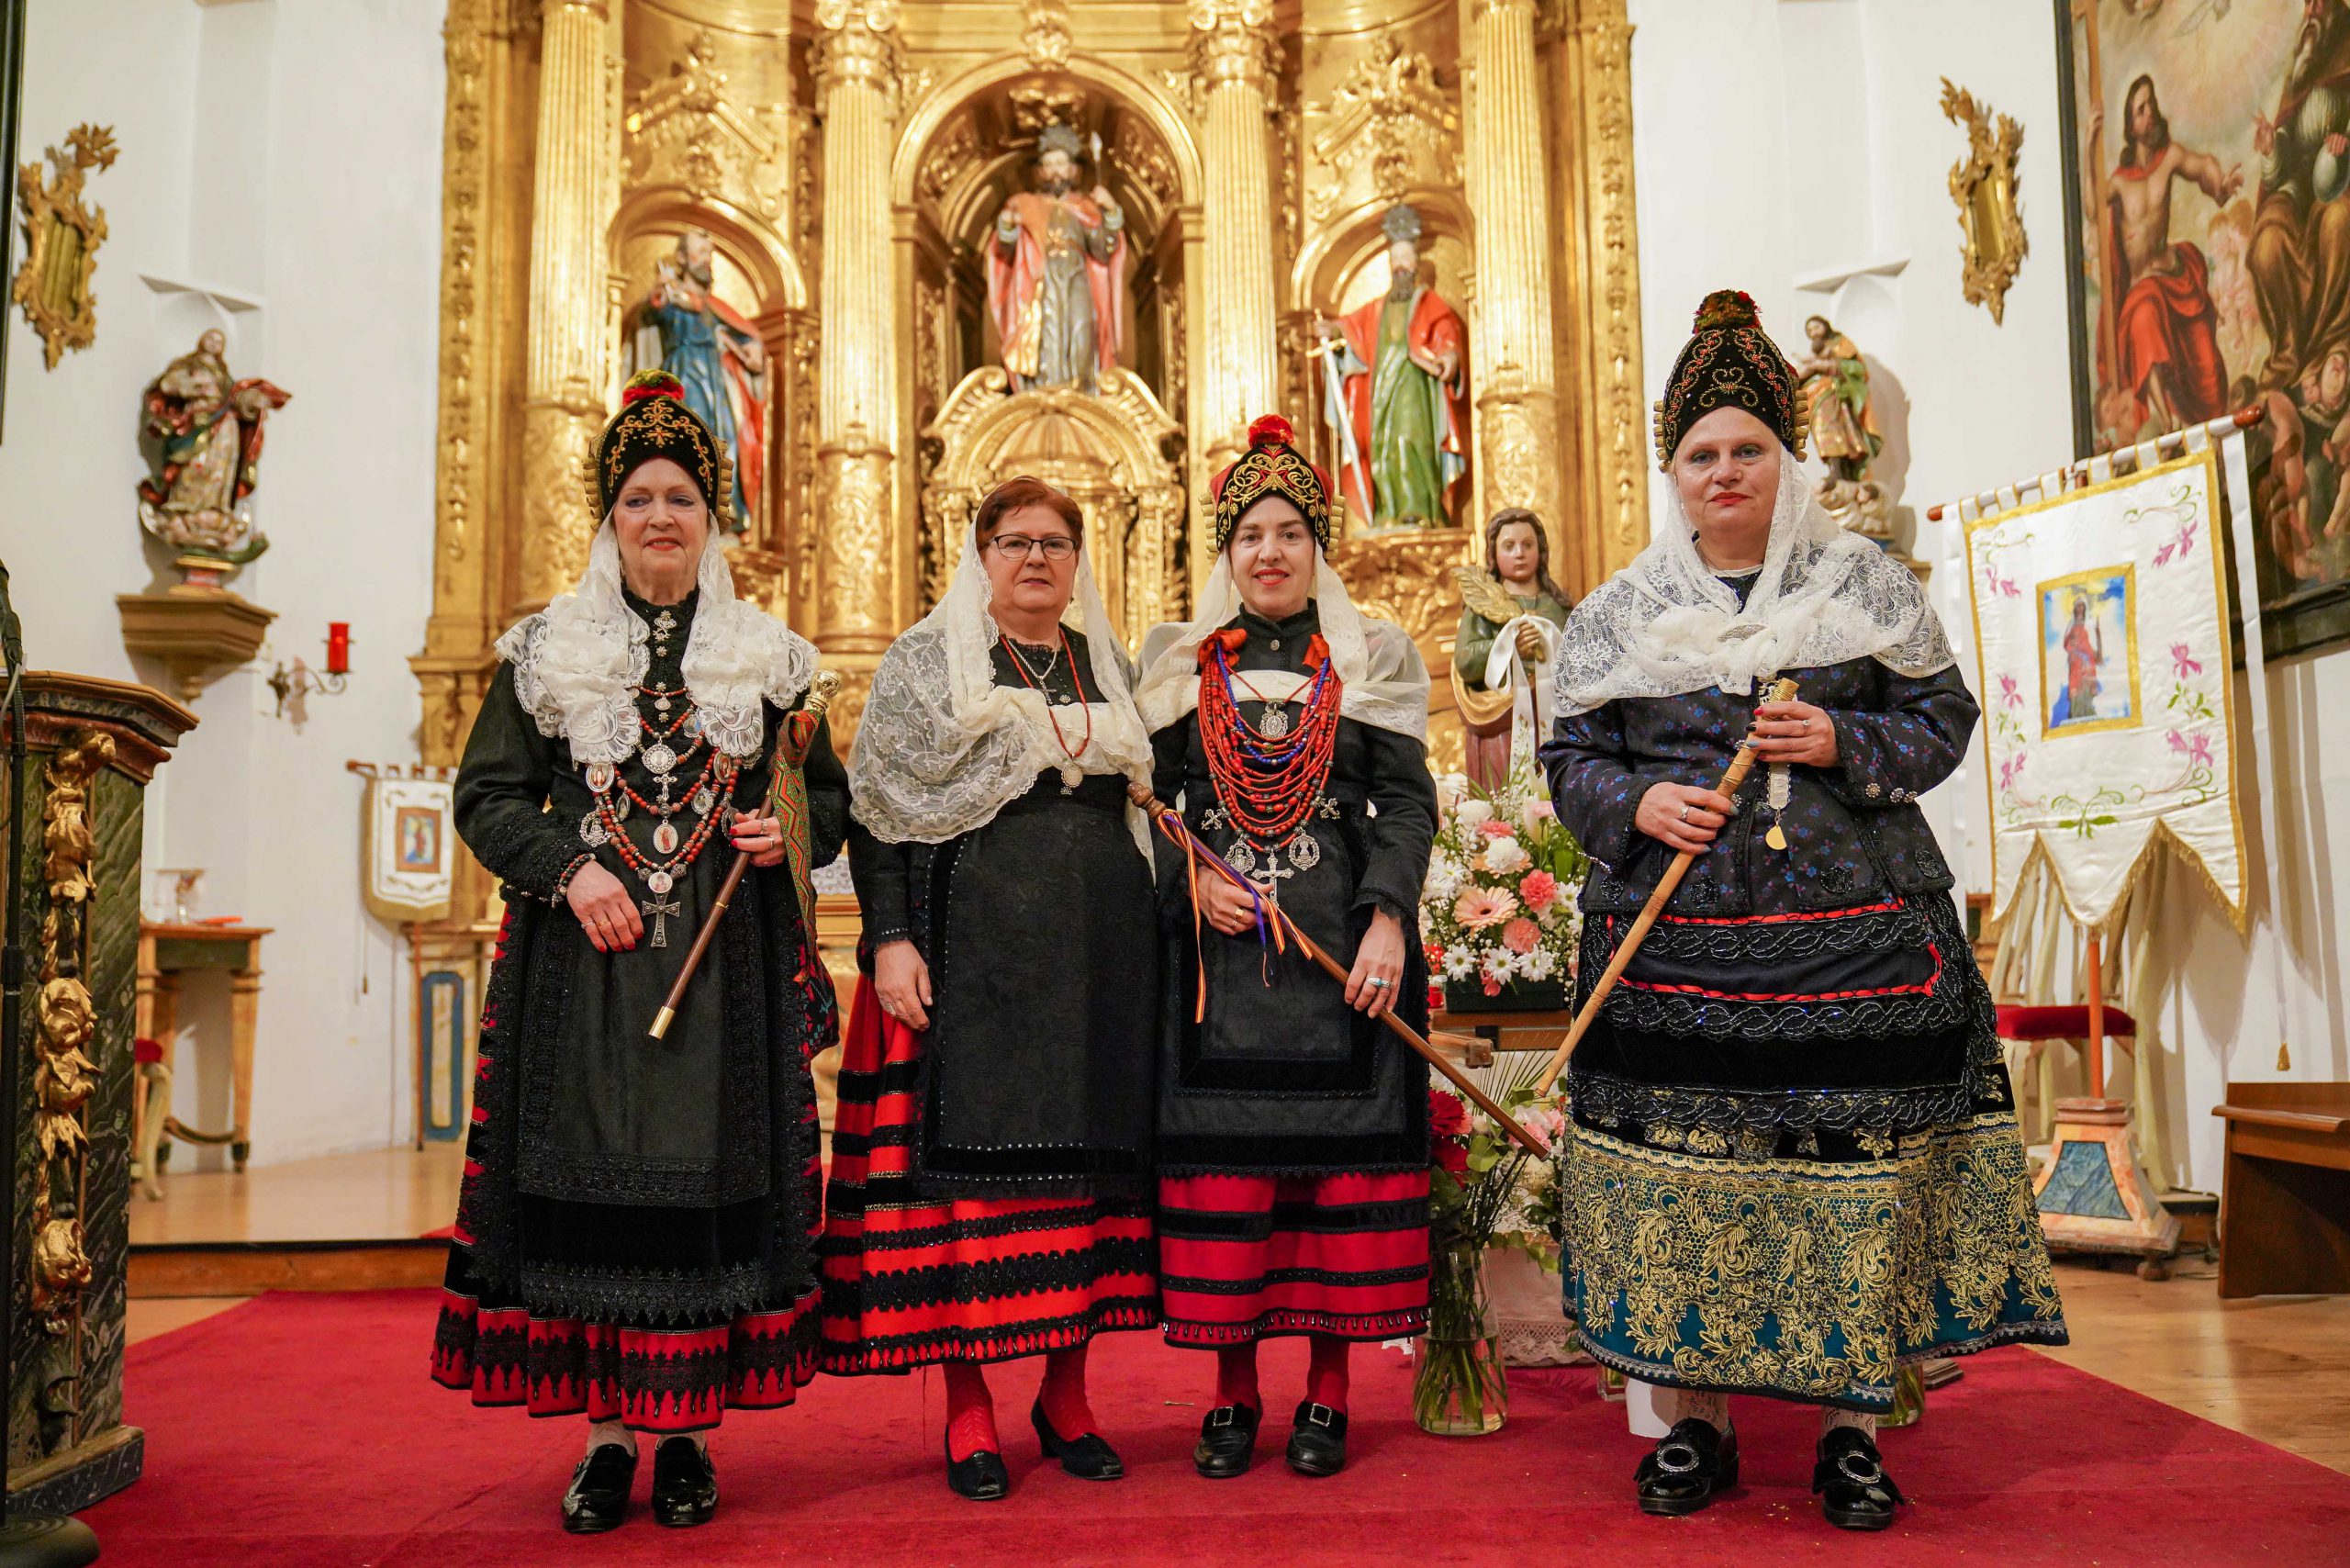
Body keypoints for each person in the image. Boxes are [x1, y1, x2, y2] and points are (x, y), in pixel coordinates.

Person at [1540, 291, 2066, 1530]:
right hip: (1673, 948)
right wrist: (1640, 804)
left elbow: (1941, 726)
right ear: (1672, 473)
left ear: (1787, 461)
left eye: (1747, 451)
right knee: (1683, 1180)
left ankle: (1851, 1432)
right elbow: (1571, 758)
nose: (1724, 472)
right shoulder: (1617, 612)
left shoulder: (1866, 586)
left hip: (1861, 945)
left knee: (1861, 1179)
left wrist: (1841, 735)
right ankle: (1694, 1427)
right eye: (1702, 455)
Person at [431, 370, 845, 1533]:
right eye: (638, 500)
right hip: (585, 976)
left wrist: (785, 832)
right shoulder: (544, 654)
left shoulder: (771, 663)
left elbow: (830, 803)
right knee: (587, 1190)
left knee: (708, 1188)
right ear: (608, 520)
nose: (660, 517)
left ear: (713, 522)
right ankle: (608, 1442)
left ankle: (687, 1441)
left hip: (724, 982)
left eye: (681, 499)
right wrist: (570, 867)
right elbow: (486, 796)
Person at [825, 476, 1159, 1502]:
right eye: (1014, 541)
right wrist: (886, 940)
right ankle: (968, 1405)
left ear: (1077, 560)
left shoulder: (1103, 659)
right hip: (967, 965)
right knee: (962, 1194)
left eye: (1056, 543)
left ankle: (1067, 1395)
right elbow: (878, 811)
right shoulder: (924, 665)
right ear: (979, 554)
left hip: (1100, 968)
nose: (1036, 560)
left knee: (1086, 1188)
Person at [1135, 414, 1438, 1481]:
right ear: (1227, 552)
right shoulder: (1181, 666)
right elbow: (1147, 806)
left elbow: (1405, 806)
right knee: (1230, 1186)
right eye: (1249, 534)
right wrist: (1187, 878)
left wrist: (1390, 918)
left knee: (1331, 1190)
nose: (1269, 551)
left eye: (1289, 533)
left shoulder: (1372, 659)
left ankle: (1328, 1392)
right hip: (1218, 977)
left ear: (1317, 548)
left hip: (1346, 957)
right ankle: (1229, 1395)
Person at [1451, 507, 1572, 791]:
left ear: (1541, 551)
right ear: (1494, 553)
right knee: (1506, 793)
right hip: (1502, 722)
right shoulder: (1481, 609)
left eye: (1527, 545)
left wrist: (1549, 645)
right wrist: (1509, 649)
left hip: (1553, 720)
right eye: (1509, 546)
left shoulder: (1558, 608)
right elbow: (1465, 660)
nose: (1519, 553)